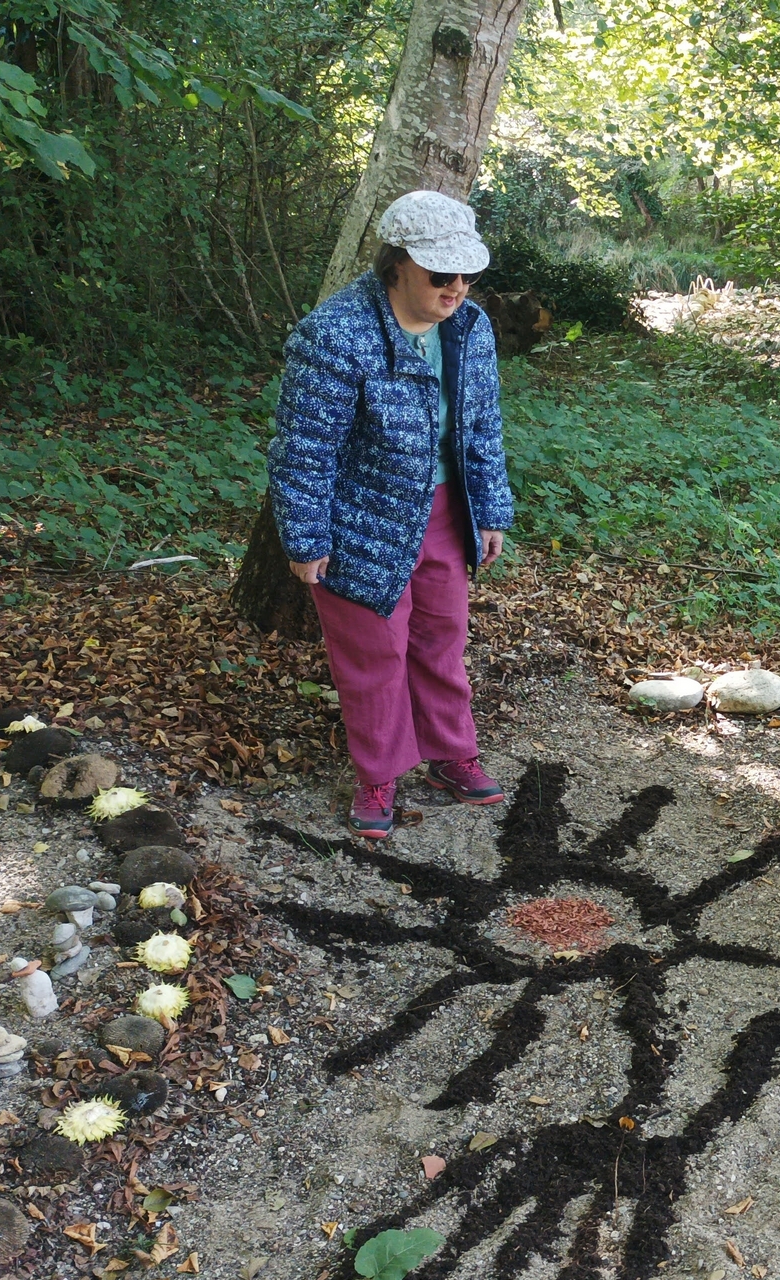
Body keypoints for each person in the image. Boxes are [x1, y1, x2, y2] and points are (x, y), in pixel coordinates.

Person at [268, 190, 514, 839]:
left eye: (467, 272)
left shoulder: (468, 327)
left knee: (442, 639)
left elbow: (482, 426)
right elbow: (304, 449)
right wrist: (306, 535)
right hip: (360, 522)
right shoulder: (335, 334)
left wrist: (489, 510)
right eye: (441, 274)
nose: (457, 287)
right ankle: (378, 772)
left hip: (443, 512)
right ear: (398, 263)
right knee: (373, 654)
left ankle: (450, 755)